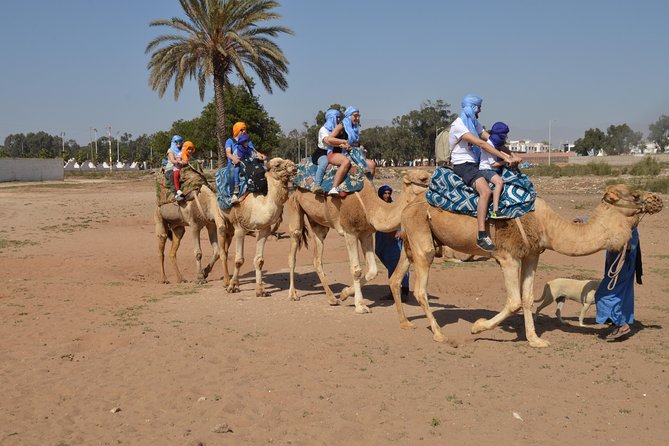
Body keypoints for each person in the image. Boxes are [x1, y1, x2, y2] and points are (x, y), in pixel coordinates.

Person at [449, 95, 521, 251]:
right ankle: (481, 234)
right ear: (472, 107)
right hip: (463, 165)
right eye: (479, 107)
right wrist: (505, 157)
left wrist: (511, 154)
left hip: (474, 163)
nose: (480, 110)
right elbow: (481, 143)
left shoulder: (474, 124)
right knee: (486, 190)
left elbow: (492, 141)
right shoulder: (459, 125)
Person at [594, 227, 642, 341]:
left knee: (603, 295)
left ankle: (621, 325)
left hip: (622, 267)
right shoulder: (621, 223)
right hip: (622, 267)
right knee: (621, 295)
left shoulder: (626, 227)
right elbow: (602, 223)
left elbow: (630, 247)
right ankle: (617, 321)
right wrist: (584, 221)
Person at [327, 106, 375, 196]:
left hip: (355, 154)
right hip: (340, 152)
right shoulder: (341, 126)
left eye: (358, 116)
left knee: (371, 165)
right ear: (349, 116)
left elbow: (355, 143)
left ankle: (369, 188)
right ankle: (334, 187)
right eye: (355, 116)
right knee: (347, 163)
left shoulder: (355, 128)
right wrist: (343, 142)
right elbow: (330, 139)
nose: (357, 118)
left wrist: (361, 147)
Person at [375, 185, 410, 301]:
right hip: (382, 237)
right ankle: (393, 291)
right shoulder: (377, 207)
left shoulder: (394, 206)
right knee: (391, 265)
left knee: (397, 263)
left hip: (395, 239)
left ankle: (404, 292)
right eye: (385, 193)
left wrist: (401, 232)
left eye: (389, 193)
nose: (387, 195)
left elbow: (402, 219)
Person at [225, 122, 266, 202]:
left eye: (245, 129)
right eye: (241, 130)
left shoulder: (247, 140)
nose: (244, 131)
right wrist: (234, 158)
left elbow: (254, 151)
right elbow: (228, 153)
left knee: (261, 169)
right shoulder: (230, 141)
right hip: (235, 163)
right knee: (232, 172)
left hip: (247, 162)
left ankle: (262, 187)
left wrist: (261, 155)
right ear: (236, 130)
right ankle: (233, 194)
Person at [478, 122, 511, 218]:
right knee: (499, 182)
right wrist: (506, 161)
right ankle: (495, 210)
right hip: (486, 170)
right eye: (504, 136)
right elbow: (494, 164)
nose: (505, 138)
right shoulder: (489, 145)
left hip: (492, 169)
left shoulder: (494, 144)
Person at [312, 109, 348, 193]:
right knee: (324, 162)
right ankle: (316, 184)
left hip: (336, 151)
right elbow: (328, 141)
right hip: (322, 152)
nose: (339, 119)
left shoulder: (339, 130)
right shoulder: (323, 130)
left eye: (340, 117)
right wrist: (341, 143)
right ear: (332, 118)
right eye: (337, 117)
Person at [165, 135, 186, 201]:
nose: (178, 143)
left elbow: (187, 157)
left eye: (180, 141)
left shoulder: (183, 150)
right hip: (170, 169)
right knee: (172, 176)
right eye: (176, 142)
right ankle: (176, 194)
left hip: (181, 167)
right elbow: (172, 160)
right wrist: (179, 162)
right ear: (174, 142)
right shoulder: (170, 150)